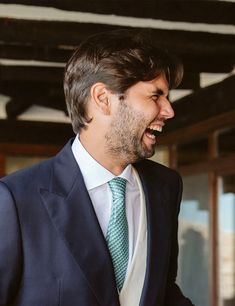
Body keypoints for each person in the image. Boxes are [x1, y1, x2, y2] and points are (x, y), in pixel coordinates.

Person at [0, 29, 195, 306]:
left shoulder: (166, 186)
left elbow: (163, 291)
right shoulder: (14, 199)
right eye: (155, 96)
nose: (168, 111)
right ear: (103, 98)